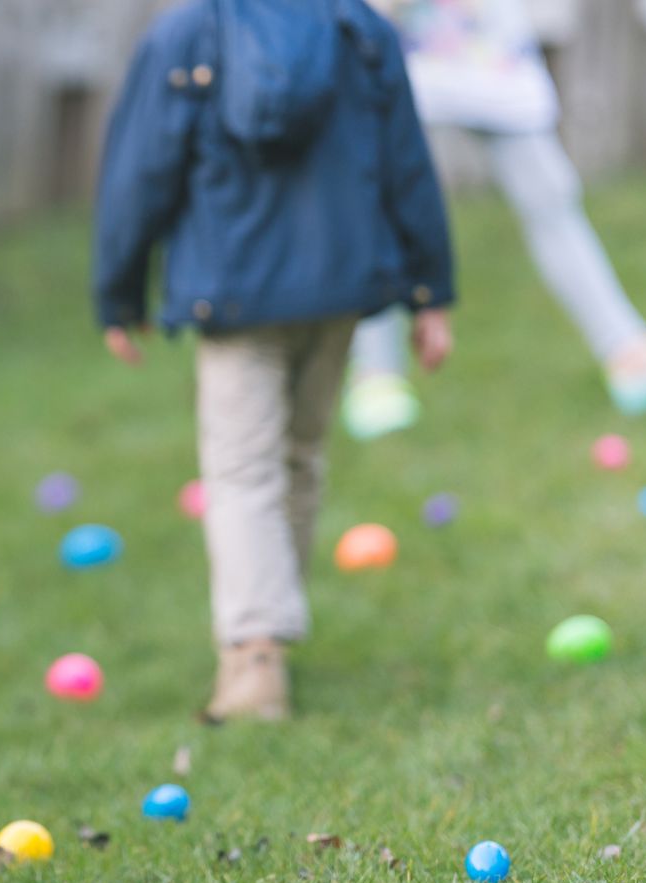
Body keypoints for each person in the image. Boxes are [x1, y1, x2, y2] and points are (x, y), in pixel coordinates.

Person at [92, 0, 455, 723]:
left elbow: (142, 170)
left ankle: (255, 655)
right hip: (342, 288)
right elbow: (407, 164)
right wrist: (428, 292)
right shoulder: (361, 29)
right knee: (298, 456)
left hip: (236, 296)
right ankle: (270, 638)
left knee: (242, 470)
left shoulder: (189, 31)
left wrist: (119, 291)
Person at [341, 0, 646, 440]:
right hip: (390, 39)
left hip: (482, 43)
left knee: (549, 192)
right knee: (375, 197)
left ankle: (631, 356)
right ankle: (375, 375)